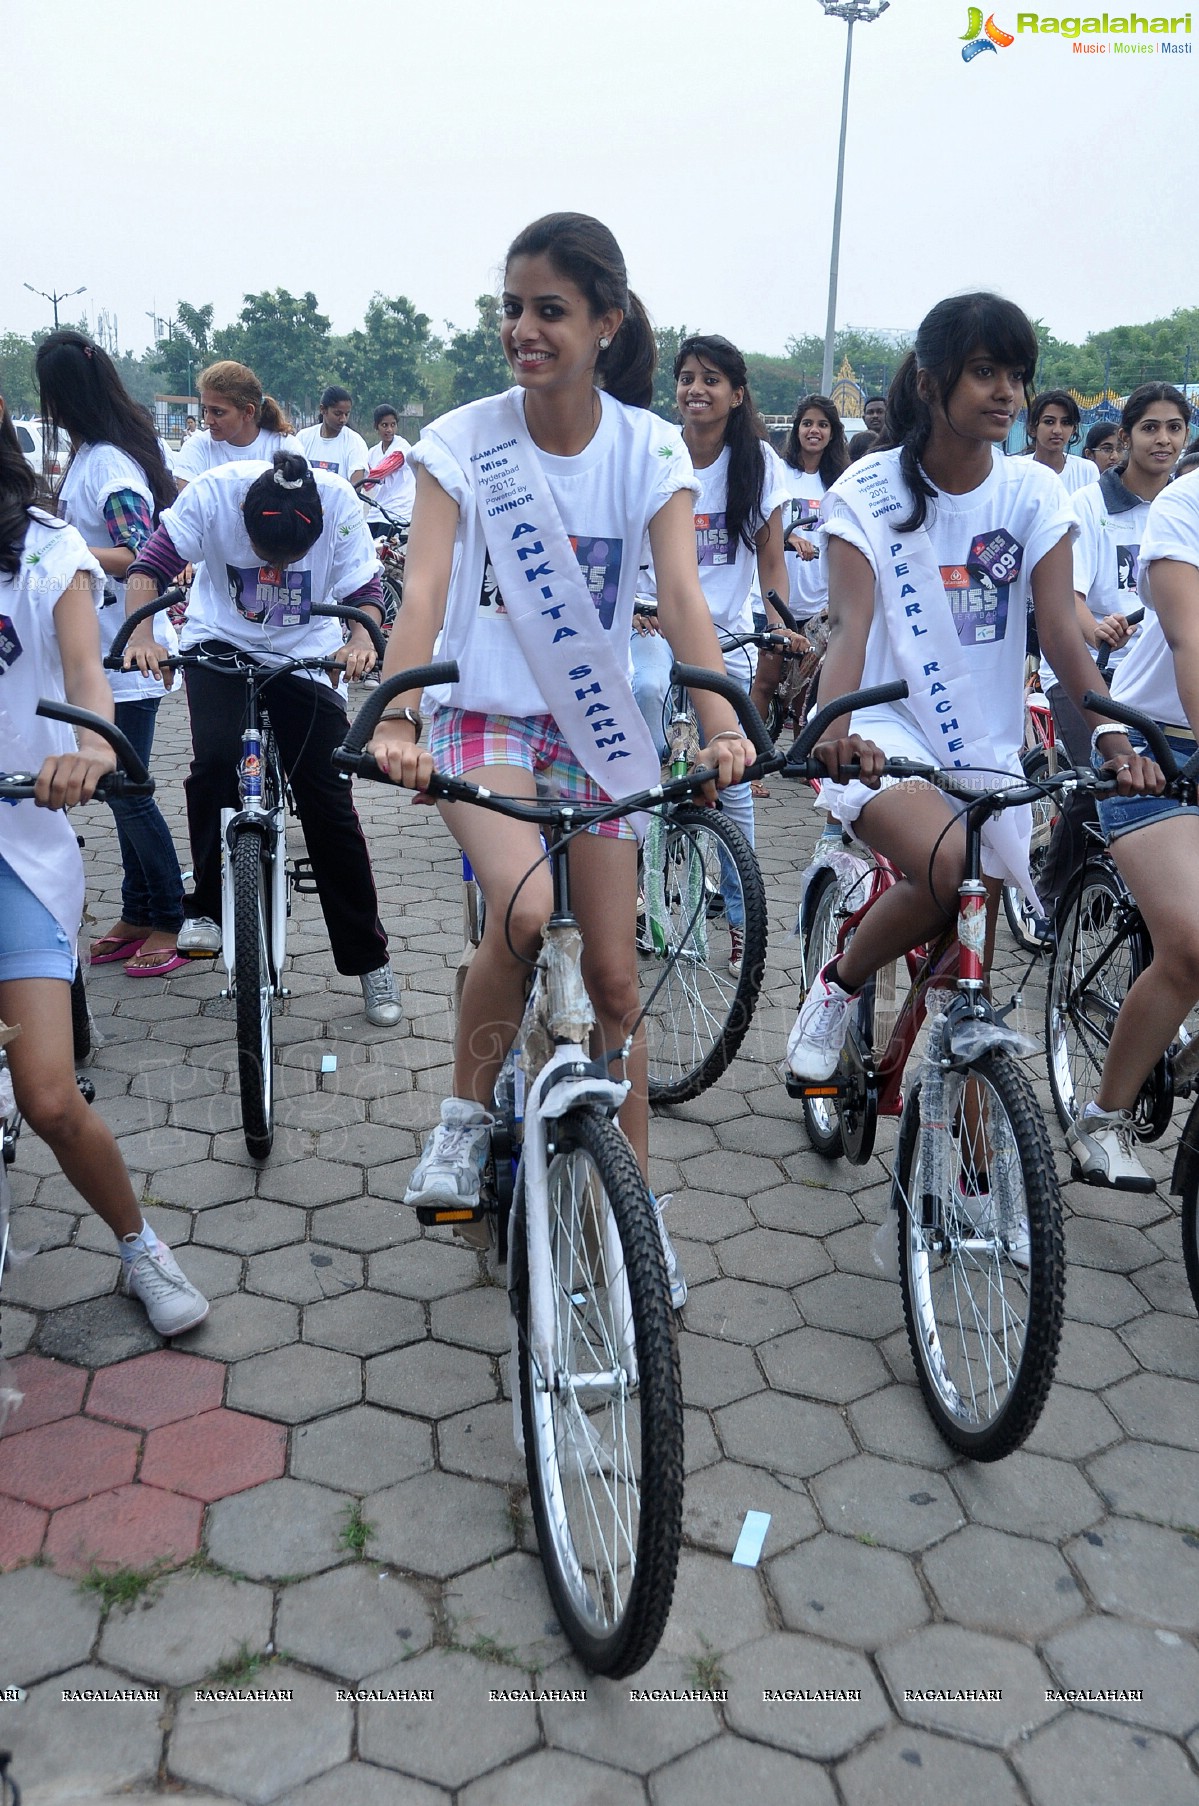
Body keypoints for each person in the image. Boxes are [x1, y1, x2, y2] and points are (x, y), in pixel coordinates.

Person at [367, 213, 757, 1306]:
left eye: (549, 311)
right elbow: (429, 588)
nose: (523, 330)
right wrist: (394, 714)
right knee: (526, 911)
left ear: (605, 324)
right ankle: (458, 1118)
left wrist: (722, 719)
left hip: (598, 727)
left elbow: (678, 595)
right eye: (511, 307)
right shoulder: (463, 440)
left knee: (618, 987)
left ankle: (636, 1219)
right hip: (488, 715)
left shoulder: (646, 448)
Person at [784, 295, 1159, 1145]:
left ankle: (976, 1181)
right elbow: (845, 625)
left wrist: (1106, 730)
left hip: (982, 747)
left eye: (1015, 375)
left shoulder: (1032, 492)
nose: (1006, 392)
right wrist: (835, 729)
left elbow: (1060, 631)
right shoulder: (866, 493)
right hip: (882, 735)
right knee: (950, 865)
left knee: (968, 976)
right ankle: (838, 986)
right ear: (931, 381)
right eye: (984, 371)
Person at [0, 396, 208, 1335]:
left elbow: (88, 678)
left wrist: (89, 747)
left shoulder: (48, 551)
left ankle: (138, 1247)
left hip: (19, 847)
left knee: (49, 1094)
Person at [120, 452, 403, 1027]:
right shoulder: (212, 494)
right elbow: (148, 567)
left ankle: (369, 960)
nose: (276, 567)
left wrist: (358, 640)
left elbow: (367, 591)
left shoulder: (338, 501)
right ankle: (204, 908)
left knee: (328, 799)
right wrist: (143, 633)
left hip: (305, 654)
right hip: (219, 644)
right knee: (216, 764)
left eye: (290, 558)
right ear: (242, 519)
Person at [1064, 455, 1199, 1189]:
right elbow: (1189, 642)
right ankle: (1102, 1119)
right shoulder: (1186, 505)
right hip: (1156, 747)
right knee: (1190, 945)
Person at [35, 329, 187, 977]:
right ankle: (138, 907)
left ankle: (171, 918)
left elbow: (144, 554)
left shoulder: (107, 466)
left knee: (127, 790)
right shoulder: (94, 455)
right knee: (122, 788)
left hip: (131, 655)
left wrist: (66, 548)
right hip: (106, 655)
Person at [636, 335, 795, 920]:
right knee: (646, 689)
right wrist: (632, 607)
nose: (695, 390)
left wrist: (778, 624)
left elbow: (771, 560)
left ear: (736, 394)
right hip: (649, 624)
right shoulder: (654, 452)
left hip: (724, 634)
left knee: (735, 767)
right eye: (686, 378)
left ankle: (741, 915)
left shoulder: (758, 464)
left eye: (710, 380)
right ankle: (645, 806)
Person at [1036, 384, 1192, 916]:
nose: (1164, 439)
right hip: (1090, 672)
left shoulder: (1181, 504)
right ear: (1125, 437)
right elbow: (1067, 598)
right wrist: (1095, 628)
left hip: (1162, 675)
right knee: (1105, 777)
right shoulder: (1088, 504)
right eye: (1150, 428)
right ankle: (1052, 899)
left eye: (1175, 427)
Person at [173, 362, 300, 490]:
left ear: (248, 412)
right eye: (205, 410)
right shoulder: (197, 447)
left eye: (218, 412)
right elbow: (187, 505)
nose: (207, 421)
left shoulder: (286, 447)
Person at [1025, 389, 1100, 495]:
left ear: (1073, 429)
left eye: (1065, 423)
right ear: (1032, 428)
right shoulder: (1017, 471)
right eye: (1049, 422)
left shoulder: (1086, 471)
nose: (1057, 430)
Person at [297, 388, 369, 488]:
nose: (343, 419)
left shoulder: (355, 442)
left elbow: (356, 485)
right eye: (337, 414)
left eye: (346, 414)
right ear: (323, 409)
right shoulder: (303, 438)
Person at [361, 403, 415, 537]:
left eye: (393, 425)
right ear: (376, 426)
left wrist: (356, 482)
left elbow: (376, 475)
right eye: (384, 425)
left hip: (398, 510)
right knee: (366, 546)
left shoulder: (402, 448)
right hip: (378, 510)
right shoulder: (373, 452)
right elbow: (366, 481)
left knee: (380, 551)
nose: (389, 429)